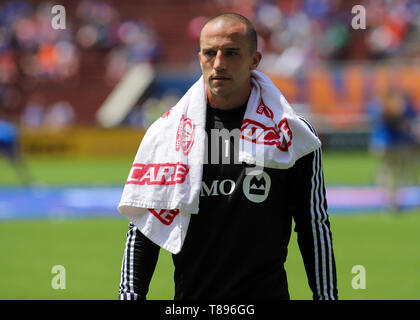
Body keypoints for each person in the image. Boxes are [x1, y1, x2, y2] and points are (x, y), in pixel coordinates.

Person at [118, 13, 338, 300]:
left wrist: (327, 297)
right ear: (199, 58)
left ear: (255, 60)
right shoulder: (167, 134)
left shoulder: (293, 135)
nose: (219, 63)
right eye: (210, 53)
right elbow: (143, 229)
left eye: (231, 53)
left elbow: (313, 225)